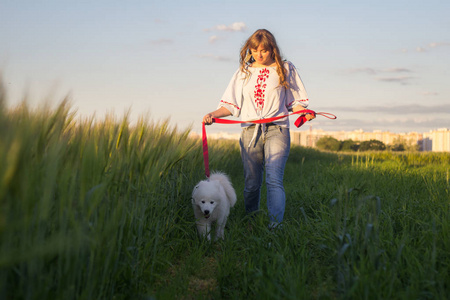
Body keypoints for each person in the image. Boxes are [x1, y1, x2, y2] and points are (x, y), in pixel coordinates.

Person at [203, 29, 315, 229]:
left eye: (264, 50)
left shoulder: (285, 68)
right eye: (255, 50)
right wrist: (212, 115)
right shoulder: (243, 72)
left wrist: (303, 112)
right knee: (252, 184)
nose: (259, 54)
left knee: (274, 179)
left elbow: (295, 102)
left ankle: (275, 226)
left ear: (272, 49)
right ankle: (250, 221)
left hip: (277, 130)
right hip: (250, 132)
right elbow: (230, 105)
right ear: (249, 50)